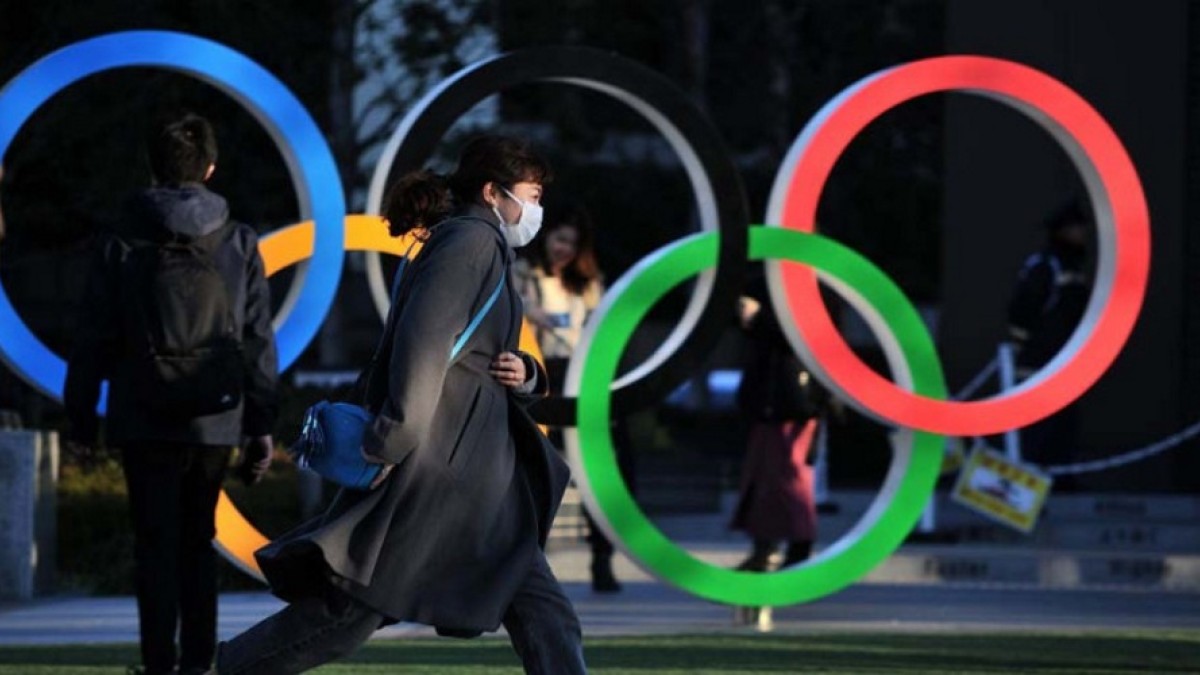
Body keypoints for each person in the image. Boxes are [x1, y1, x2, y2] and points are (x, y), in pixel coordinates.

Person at [213, 135, 586, 674]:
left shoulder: (475, 243)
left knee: (544, 613)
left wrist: (526, 372)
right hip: (441, 468)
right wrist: (390, 442)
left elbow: (472, 353)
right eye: (532, 194)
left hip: (474, 473)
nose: (536, 208)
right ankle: (227, 668)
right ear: (492, 192)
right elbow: (423, 346)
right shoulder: (470, 244)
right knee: (348, 614)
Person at [64, 111, 279, 675]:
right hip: (215, 416)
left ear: (152, 166)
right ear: (209, 168)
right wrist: (261, 423)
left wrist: (81, 422)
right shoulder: (238, 240)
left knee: (153, 545)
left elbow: (92, 337)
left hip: (141, 411)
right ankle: (199, 663)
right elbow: (258, 338)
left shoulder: (121, 239)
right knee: (197, 541)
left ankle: (159, 664)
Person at [512, 202, 629, 593]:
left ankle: (602, 557)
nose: (564, 249)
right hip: (540, 375)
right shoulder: (524, 274)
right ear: (547, 236)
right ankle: (527, 559)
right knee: (535, 467)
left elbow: (605, 327)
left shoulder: (590, 283)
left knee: (600, 469)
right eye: (560, 240)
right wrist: (530, 313)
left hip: (584, 376)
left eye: (573, 244)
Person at [730, 272, 829, 573]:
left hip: (793, 401)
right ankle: (766, 549)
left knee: (790, 477)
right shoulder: (768, 282)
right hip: (770, 400)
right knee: (762, 476)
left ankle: (798, 548)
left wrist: (759, 317)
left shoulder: (807, 289)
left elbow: (802, 336)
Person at [1006, 200, 1091, 483]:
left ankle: (1061, 484)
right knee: (1037, 431)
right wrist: (1025, 349)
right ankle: (1031, 487)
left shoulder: (1075, 268)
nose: (1083, 233)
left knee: (1063, 430)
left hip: (1066, 364)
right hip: (1039, 364)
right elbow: (1021, 312)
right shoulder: (1045, 266)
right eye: (1077, 228)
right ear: (1063, 230)